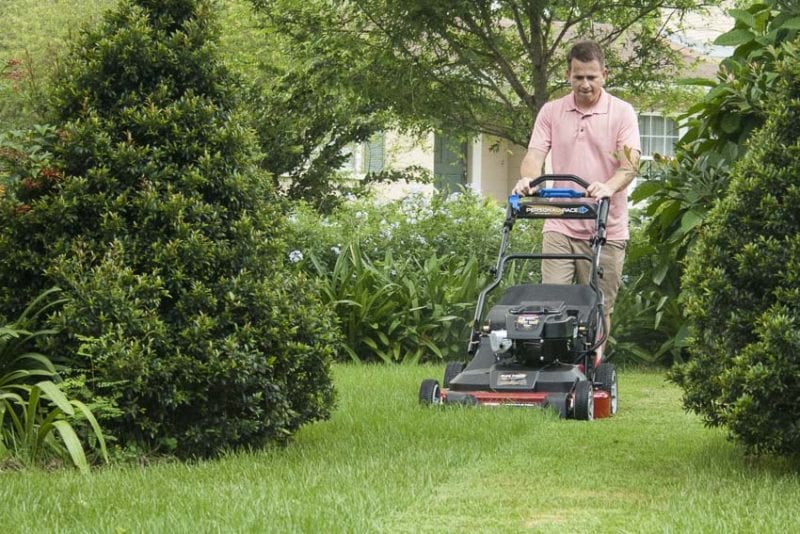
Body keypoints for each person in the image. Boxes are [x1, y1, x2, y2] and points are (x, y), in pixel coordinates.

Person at [512, 40, 641, 339]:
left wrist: (607, 187)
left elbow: (629, 165)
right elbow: (534, 155)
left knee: (599, 307)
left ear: (604, 75)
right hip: (559, 219)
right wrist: (529, 181)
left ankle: (592, 373)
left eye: (591, 77)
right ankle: (558, 368)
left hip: (605, 226)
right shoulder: (551, 111)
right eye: (578, 76)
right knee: (552, 303)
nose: (585, 84)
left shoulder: (622, 113)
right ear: (568, 75)